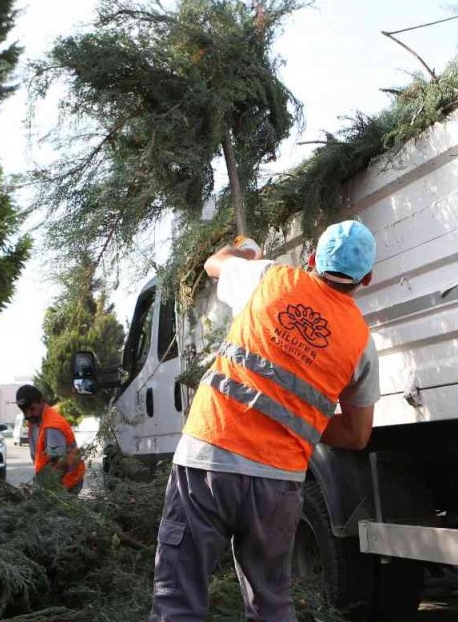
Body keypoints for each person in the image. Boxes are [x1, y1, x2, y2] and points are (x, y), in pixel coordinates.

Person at [149, 221, 381, 622]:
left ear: (311, 260)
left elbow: (213, 264)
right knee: (270, 604)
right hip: (279, 481)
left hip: (208, 457)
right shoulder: (362, 342)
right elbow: (358, 435)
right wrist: (299, 419)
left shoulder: (269, 275)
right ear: (367, 278)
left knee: (178, 599)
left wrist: (245, 253)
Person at [15, 384, 85, 494]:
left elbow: (59, 464)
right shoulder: (34, 422)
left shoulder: (52, 427)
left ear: (42, 401)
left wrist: (43, 489)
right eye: (24, 411)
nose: (28, 414)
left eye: (32, 409)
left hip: (66, 485)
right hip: (52, 484)